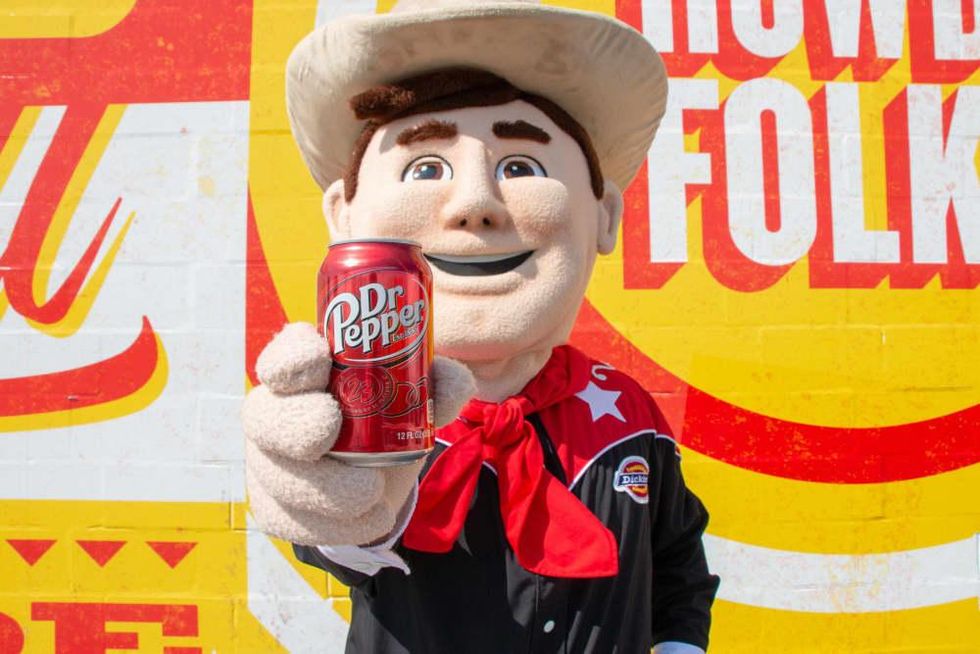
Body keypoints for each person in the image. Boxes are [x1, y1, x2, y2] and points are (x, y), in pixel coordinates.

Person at [242, 1, 719, 652]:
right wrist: (331, 503)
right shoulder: (378, 416)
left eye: (521, 167)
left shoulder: (628, 416)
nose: (474, 205)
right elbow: (345, 551)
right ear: (344, 216)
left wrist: (679, 644)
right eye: (425, 168)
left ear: (603, 215)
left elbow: (676, 556)